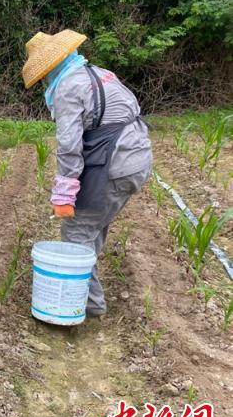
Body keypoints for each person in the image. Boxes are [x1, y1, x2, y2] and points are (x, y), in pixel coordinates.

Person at [22, 29, 152, 317]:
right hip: (137, 155)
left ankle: (88, 307)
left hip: (116, 160)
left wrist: (64, 195)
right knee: (93, 224)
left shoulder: (68, 87)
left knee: (77, 229)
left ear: (50, 67)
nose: (44, 79)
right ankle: (87, 287)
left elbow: (69, 147)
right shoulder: (98, 73)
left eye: (44, 74)